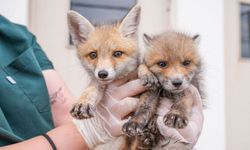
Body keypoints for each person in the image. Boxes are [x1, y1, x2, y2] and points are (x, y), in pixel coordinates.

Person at [0, 15, 203, 150]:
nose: (103, 68)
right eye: (93, 55)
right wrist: (88, 130)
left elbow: (64, 110)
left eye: (116, 54)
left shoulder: (19, 38)